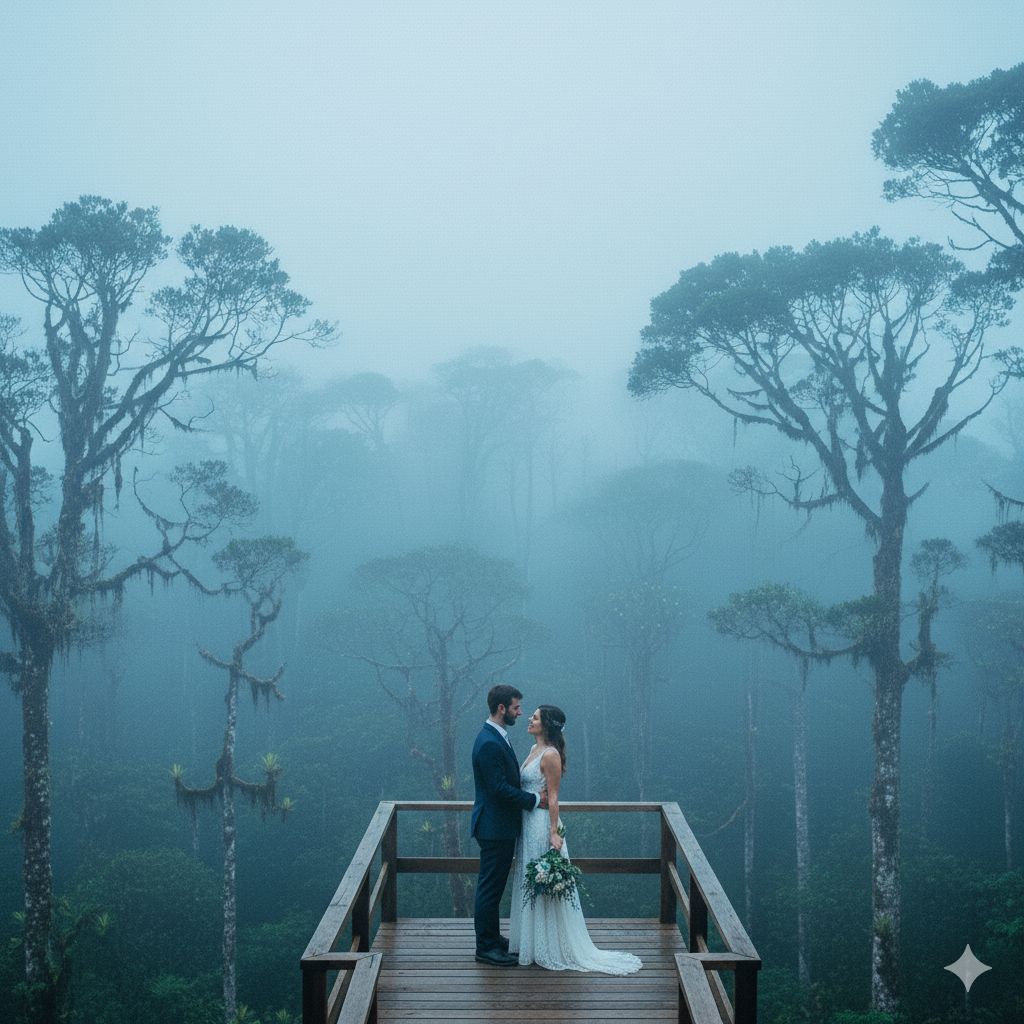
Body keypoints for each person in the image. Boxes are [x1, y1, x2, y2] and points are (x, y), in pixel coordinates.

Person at [508, 705, 642, 974]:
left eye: (534, 717)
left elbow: (554, 797)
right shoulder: (534, 750)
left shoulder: (550, 755)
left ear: (545, 724)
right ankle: (532, 942)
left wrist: (554, 832)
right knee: (529, 878)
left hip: (542, 825)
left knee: (543, 881)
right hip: (527, 823)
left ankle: (550, 944)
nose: (529, 719)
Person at [471, 683, 548, 966]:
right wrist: (533, 799)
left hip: (498, 825)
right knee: (490, 888)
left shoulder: (496, 736)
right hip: (494, 827)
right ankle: (486, 947)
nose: (520, 712)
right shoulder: (490, 742)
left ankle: (492, 938)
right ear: (502, 708)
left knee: (493, 886)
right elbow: (498, 789)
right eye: (516, 707)